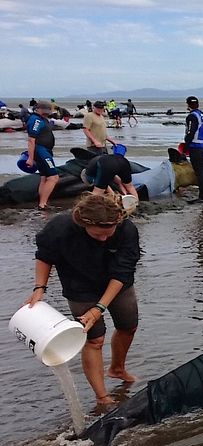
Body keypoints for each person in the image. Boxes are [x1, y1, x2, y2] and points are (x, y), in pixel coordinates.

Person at [28, 194, 141, 405]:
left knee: (129, 327)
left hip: (118, 282)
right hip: (78, 285)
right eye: (98, 235)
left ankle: (117, 369)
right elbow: (44, 255)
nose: (104, 239)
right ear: (83, 223)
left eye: (109, 234)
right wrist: (39, 287)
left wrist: (99, 307)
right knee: (94, 339)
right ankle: (102, 397)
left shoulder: (126, 229)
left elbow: (123, 271)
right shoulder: (60, 228)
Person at [25, 101, 60, 210]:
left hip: (45, 150)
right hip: (41, 150)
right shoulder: (35, 120)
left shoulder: (42, 119)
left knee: (44, 177)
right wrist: (30, 158)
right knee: (54, 177)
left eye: (47, 112)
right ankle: (42, 204)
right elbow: (31, 140)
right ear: (37, 109)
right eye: (44, 111)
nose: (46, 113)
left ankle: (42, 202)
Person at [184, 95, 203, 203]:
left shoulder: (192, 116)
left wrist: (186, 144)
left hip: (195, 146)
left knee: (199, 172)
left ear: (188, 105)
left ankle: (202, 196)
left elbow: (190, 131)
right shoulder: (202, 115)